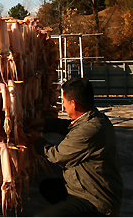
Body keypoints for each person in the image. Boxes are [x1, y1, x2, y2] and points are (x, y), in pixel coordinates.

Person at [25, 77, 123, 216]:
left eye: (64, 101)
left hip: (95, 201)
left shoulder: (89, 130)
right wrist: (42, 122)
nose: (63, 105)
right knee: (47, 187)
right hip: (86, 186)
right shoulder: (94, 118)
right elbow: (68, 127)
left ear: (74, 104)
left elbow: (58, 155)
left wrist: (37, 141)